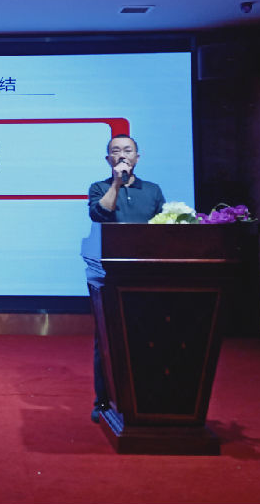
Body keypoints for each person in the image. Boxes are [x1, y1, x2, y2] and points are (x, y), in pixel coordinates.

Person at [87, 134, 166, 422]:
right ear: (108, 159)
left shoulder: (153, 190)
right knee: (107, 338)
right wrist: (116, 184)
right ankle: (104, 401)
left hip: (147, 273)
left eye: (128, 150)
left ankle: (148, 397)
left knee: (150, 336)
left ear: (137, 157)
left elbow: (163, 227)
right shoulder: (99, 187)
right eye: (116, 151)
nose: (122, 155)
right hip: (110, 276)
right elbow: (99, 215)